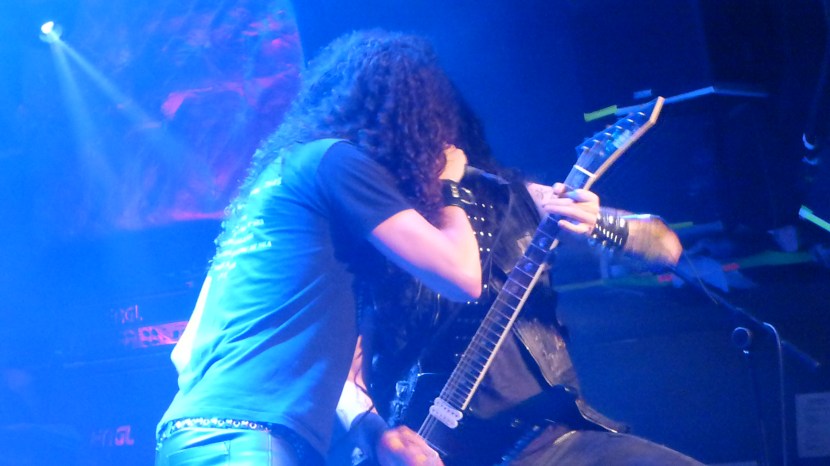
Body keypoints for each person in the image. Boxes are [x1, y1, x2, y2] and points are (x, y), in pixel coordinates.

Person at [153, 30, 485, 466]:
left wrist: (374, 432)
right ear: (408, 122)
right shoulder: (337, 162)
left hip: (191, 437)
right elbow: (463, 277)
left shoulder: (277, 182)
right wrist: (449, 188)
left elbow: (186, 350)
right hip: (250, 443)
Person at [330, 104, 705, 466]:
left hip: (549, 442)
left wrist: (599, 224)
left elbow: (666, 247)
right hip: (434, 452)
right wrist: (375, 435)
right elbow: (342, 378)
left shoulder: (515, 201)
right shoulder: (372, 246)